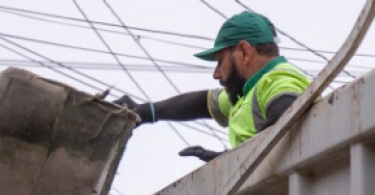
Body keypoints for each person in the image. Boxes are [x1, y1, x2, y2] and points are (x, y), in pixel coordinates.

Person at [115, 11, 311, 161]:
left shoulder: (280, 81)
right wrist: (147, 111)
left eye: (220, 61)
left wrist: (227, 161)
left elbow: (285, 123)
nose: (216, 74)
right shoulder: (249, 91)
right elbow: (204, 102)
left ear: (244, 52)